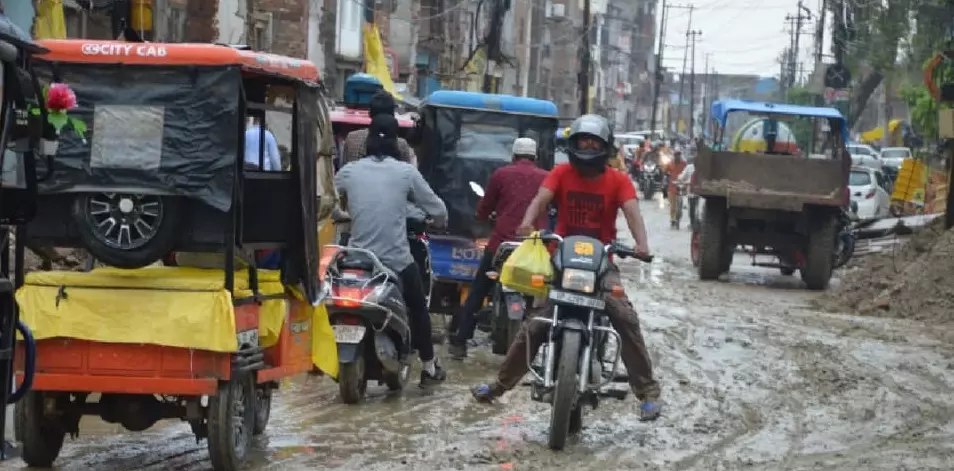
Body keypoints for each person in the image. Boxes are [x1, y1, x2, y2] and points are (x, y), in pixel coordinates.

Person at [470, 114, 662, 421]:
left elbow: (632, 211)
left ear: (604, 147)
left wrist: (641, 245)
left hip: (602, 264)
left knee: (624, 316)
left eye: (593, 142)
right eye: (582, 141)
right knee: (534, 324)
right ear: (573, 145)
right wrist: (527, 222)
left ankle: (648, 393)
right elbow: (541, 198)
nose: (587, 146)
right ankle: (499, 385)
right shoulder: (561, 173)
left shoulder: (618, 180)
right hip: (561, 261)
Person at [334, 113, 448, 386]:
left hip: (357, 260)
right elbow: (439, 210)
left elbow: (324, 199)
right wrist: (438, 222)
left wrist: (342, 215)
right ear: (398, 143)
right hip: (395, 260)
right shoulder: (406, 173)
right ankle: (430, 367)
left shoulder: (350, 170)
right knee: (419, 307)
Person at [447, 137, 549, 360]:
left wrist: (481, 217)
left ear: (513, 156)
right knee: (542, 296)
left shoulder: (501, 174)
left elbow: (484, 208)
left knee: (478, 291)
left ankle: (460, 343)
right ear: (535, 157)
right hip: (533, 248)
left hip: (502, 245)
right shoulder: (546, 178)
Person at [341, 90, 417, 166]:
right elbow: (407, 174)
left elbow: (343, 169)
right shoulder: (401, 145)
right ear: (393, 115)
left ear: (369, 114)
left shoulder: (352, 139)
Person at [665, 150, 687, 228]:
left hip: (681, 187)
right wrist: (668, 175)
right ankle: (672, 219)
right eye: (676, 155)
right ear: (674, 156)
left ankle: (678, 218)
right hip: (672, 186)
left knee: (679, 205)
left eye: (678, 155)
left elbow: (687, 173)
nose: (677, 156)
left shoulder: (684, 164)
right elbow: (666, 172)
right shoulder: (670, 163)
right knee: (672, 206)